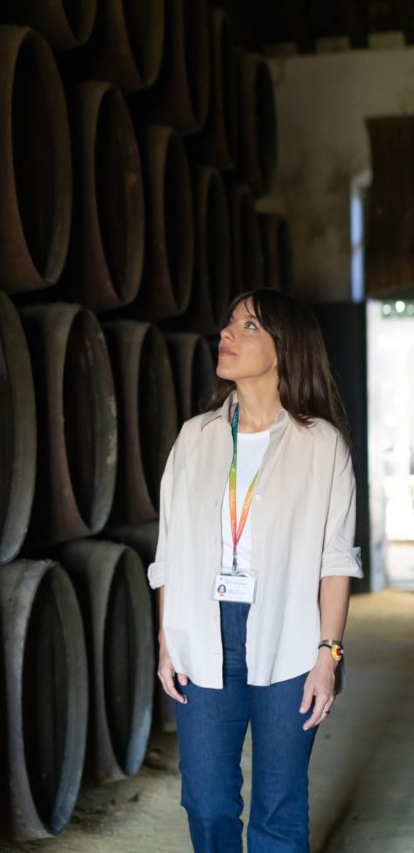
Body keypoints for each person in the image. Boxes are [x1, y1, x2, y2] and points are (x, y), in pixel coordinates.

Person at [148, 288, 363, 853]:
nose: (226, 334)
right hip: (202, 633)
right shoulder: (195, 439)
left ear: (283, 348)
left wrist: (328, 654)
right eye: (228, 324)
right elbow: (168, 553)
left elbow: (335, 560)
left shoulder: (323, 446)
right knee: (207, 801)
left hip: (290, 639)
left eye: (247, 327)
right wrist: (167, 639)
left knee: (279, 806)